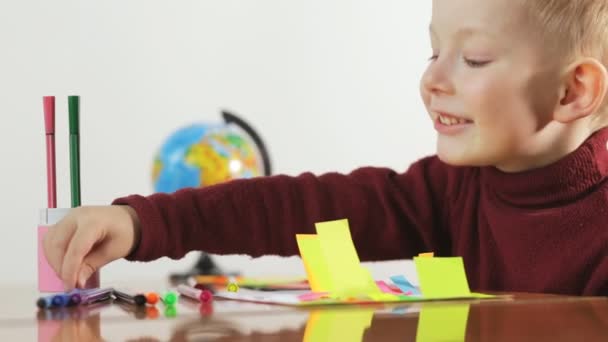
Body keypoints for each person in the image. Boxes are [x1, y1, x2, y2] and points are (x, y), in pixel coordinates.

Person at [44, 0, 608, 295]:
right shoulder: (451, 189)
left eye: (475, 59)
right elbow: (306, 209)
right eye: (432, 52)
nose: (433, 80)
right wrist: (143, 224)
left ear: (572, 90)